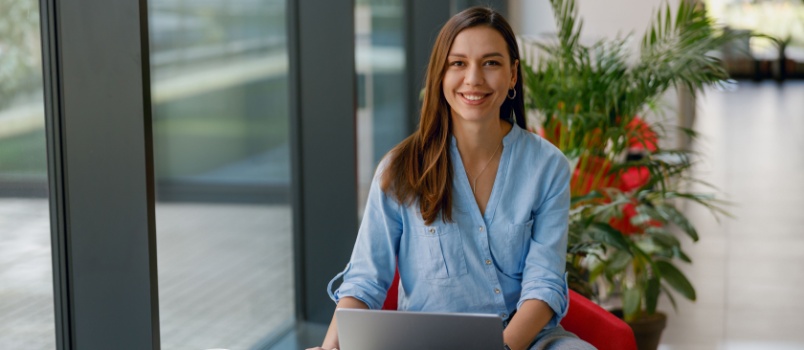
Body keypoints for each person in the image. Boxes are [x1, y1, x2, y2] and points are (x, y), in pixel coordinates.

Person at [309, 6, 594, 350]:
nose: (473, 79)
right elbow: (365, 279)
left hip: (526, 342)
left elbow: (544, 284)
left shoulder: (547, 167)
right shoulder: (399, 168)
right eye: (458, 63)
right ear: (440, 75)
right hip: (426, 342)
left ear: (513, 74)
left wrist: (502, 348)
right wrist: (329, 348)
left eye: (491, 63)